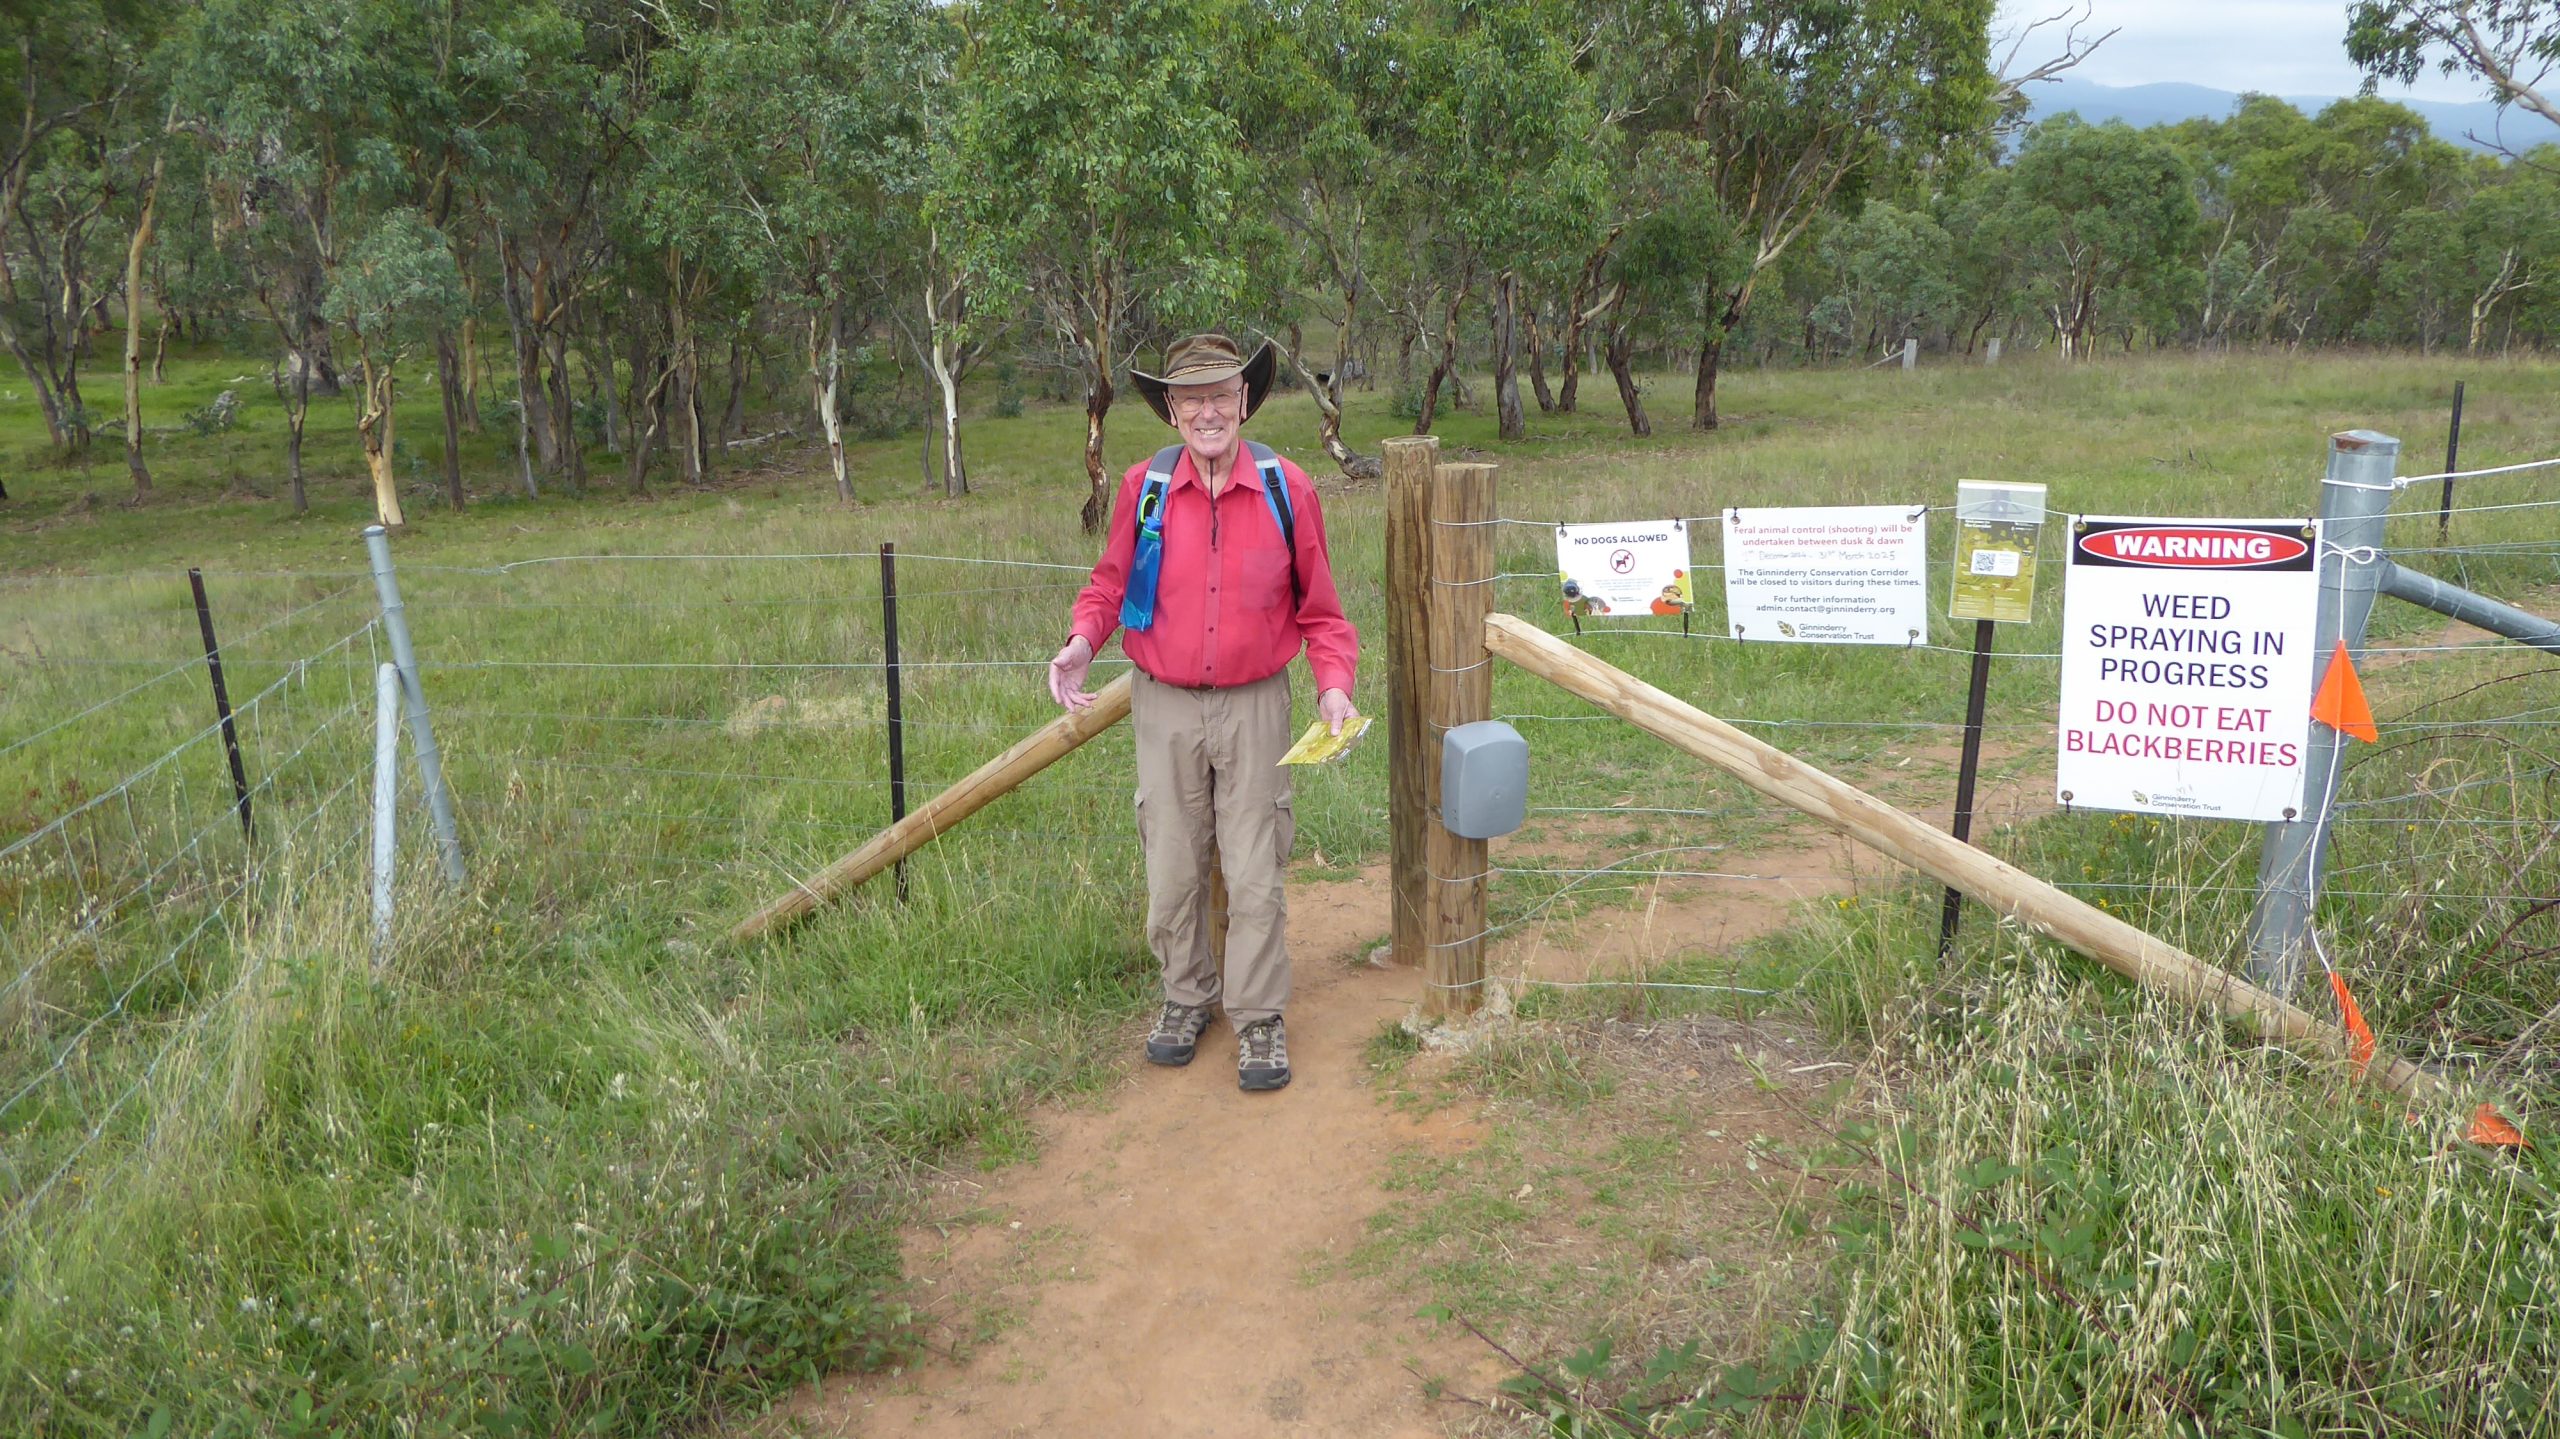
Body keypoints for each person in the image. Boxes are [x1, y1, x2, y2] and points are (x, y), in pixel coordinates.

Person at [1047, 334, 1359, 1093]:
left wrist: (1334, 685)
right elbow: (1109, 584)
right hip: (1164, 706)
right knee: (1172, 864)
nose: (1209, 410)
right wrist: (1083, 641)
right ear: (1173, 411)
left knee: (1255, 869)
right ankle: (1186, 998)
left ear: (1245, 402)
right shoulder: (1143, 489)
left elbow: (1323, 614)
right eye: (1193, 399)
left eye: (1223, 394)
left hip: (1256, 704)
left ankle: (1257, 1017)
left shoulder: (1289, 488)